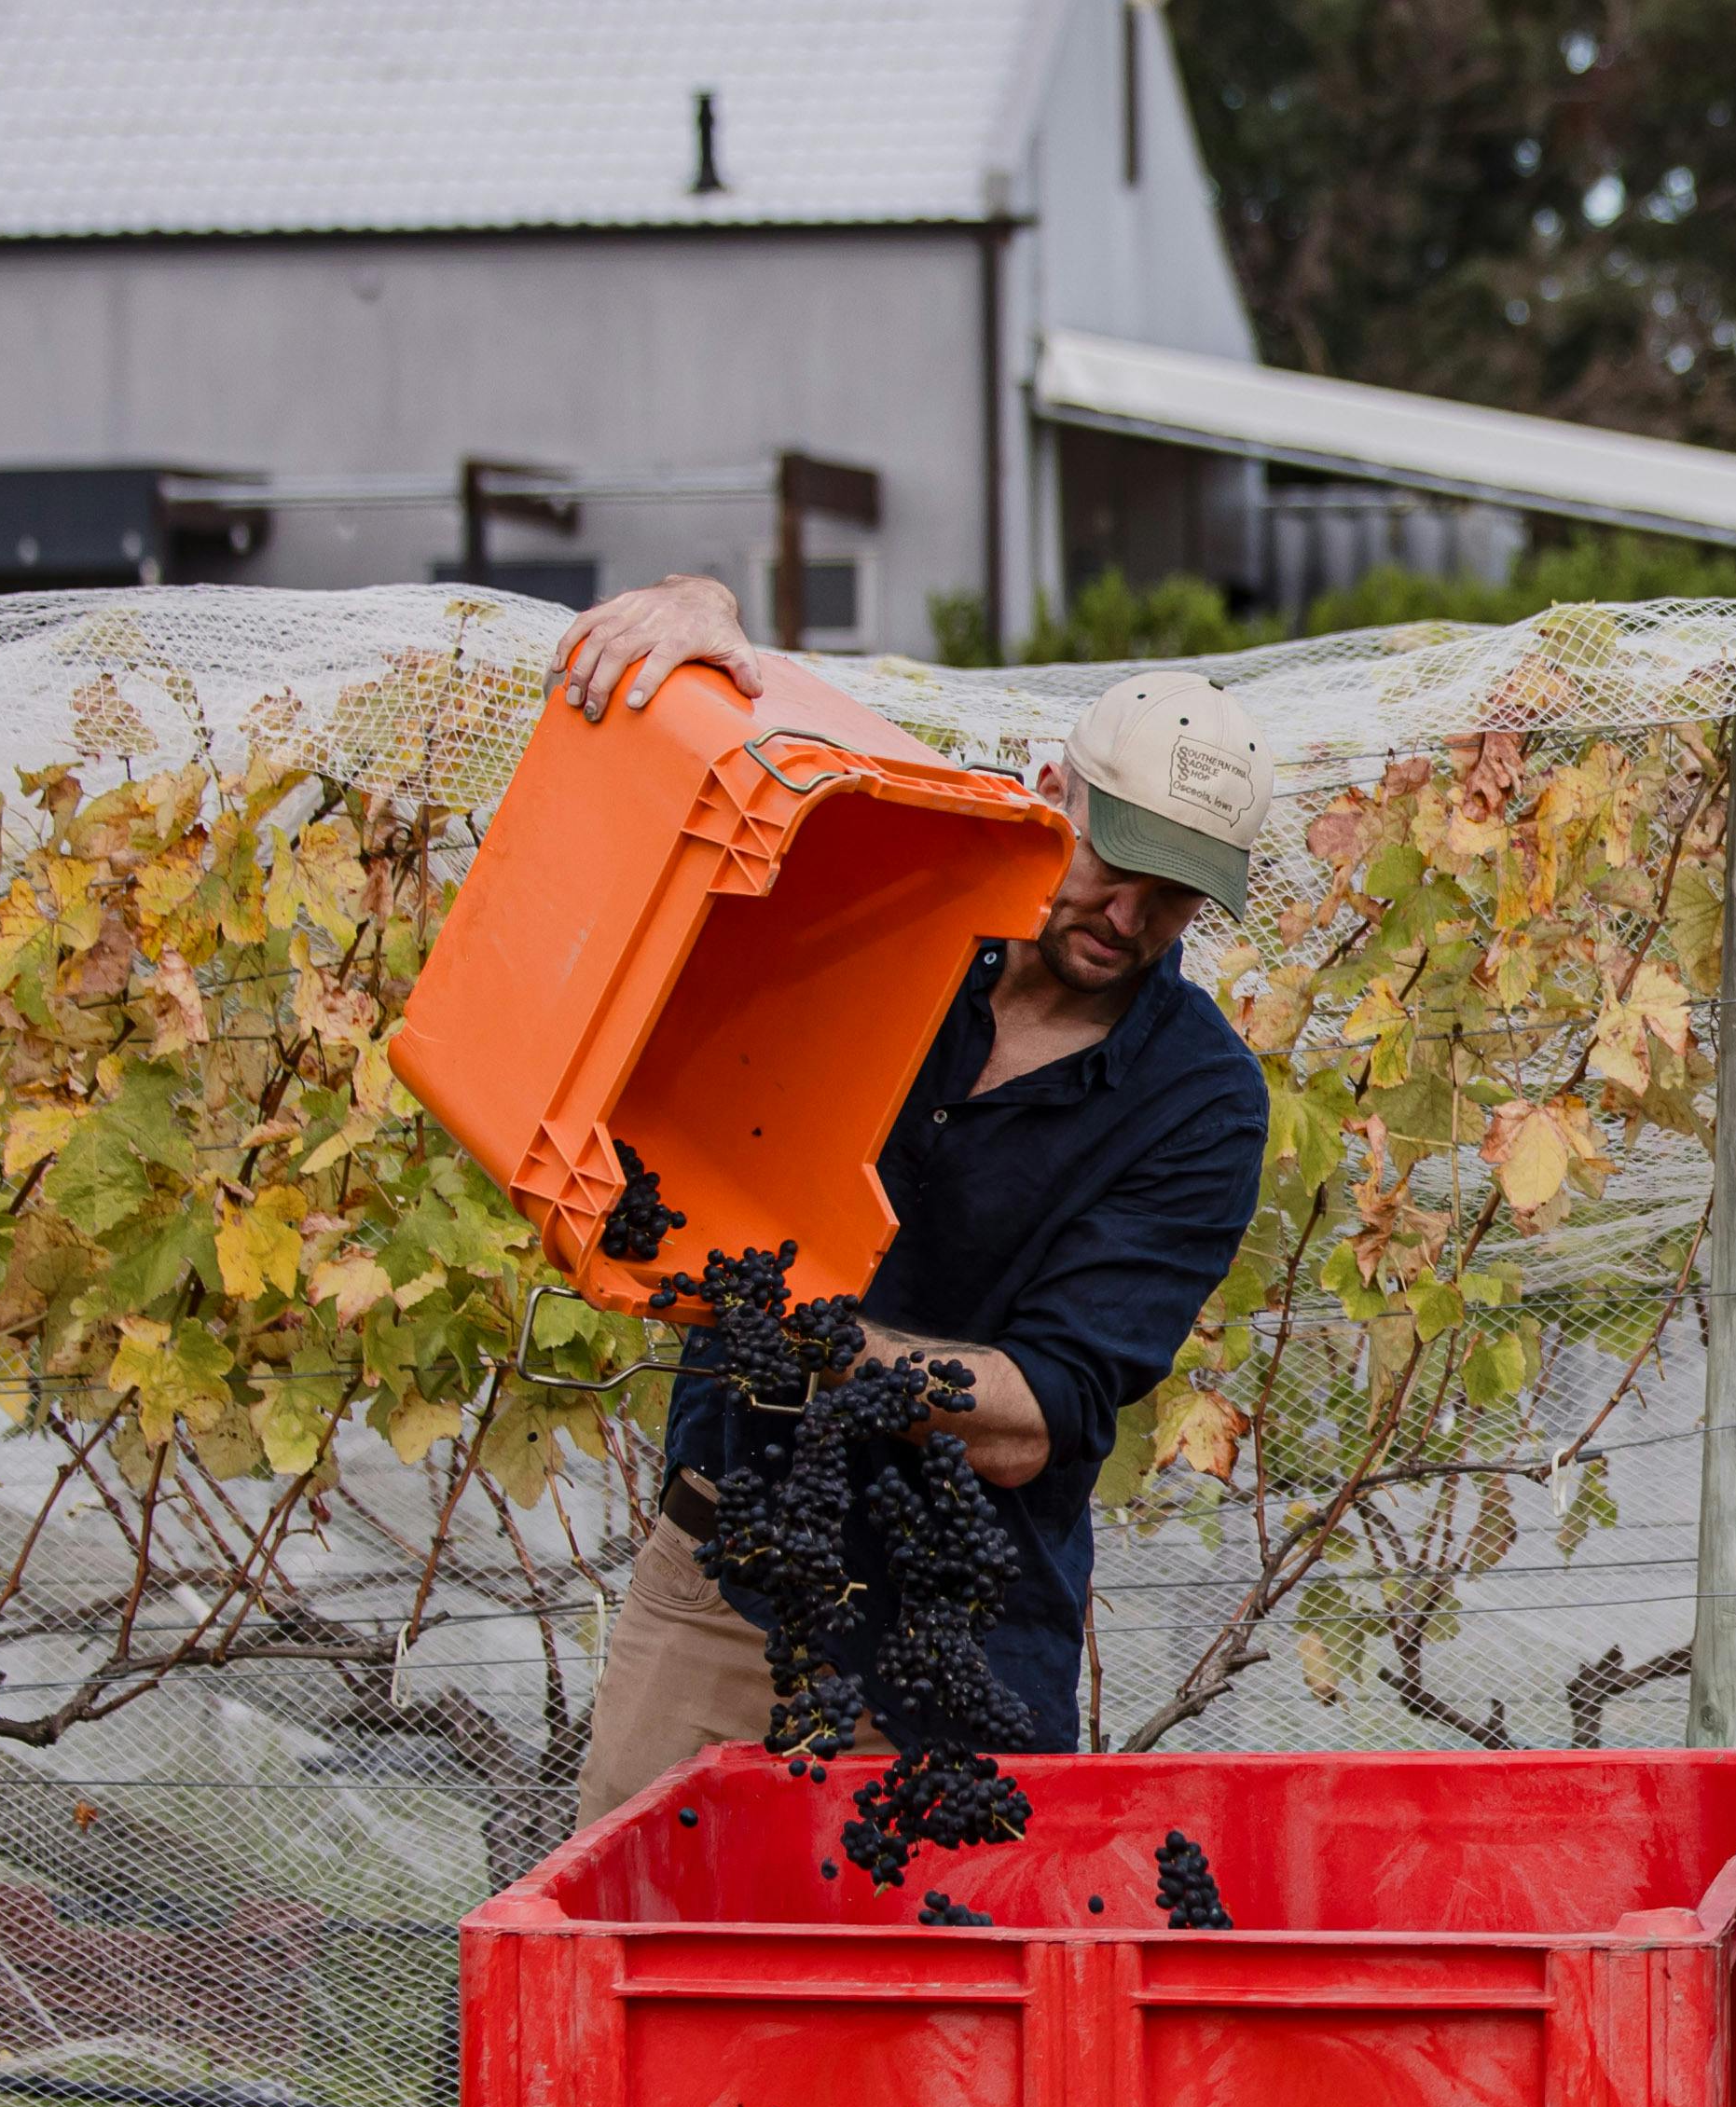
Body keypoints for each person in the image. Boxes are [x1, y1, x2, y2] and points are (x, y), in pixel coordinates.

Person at [540, 580, 1284, 1829]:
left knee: (933, 2011)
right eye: (1118, 865)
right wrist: (708, 614)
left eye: (1175, 898)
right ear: (1055, 792)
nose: (1131, 918)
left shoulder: (1199, 1101)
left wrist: (801, 1335)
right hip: (724, 1580)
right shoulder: (896, 902)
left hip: (960, 1648)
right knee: (648, 1965)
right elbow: (769, 747)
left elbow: (1033, 1420)